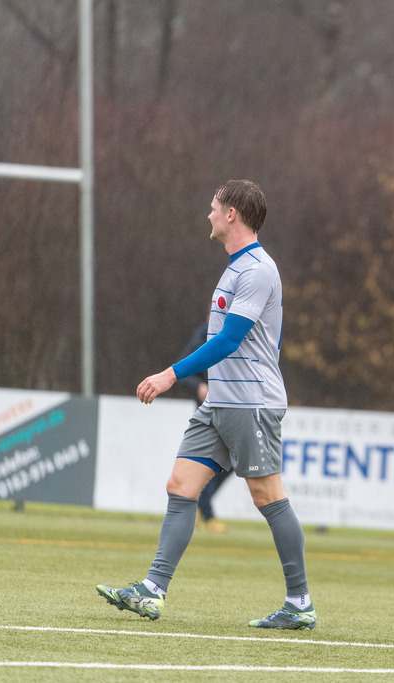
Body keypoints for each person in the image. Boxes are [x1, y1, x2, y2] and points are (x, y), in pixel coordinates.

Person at [96, 179, 315, 630]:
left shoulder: (257, 269)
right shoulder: (235, 267)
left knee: (267, 495)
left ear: (232, 214)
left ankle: (299, 603)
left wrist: (170, 374)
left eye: (214, 207)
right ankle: (153, 591)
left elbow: (230, 340)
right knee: (181, 486)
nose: (209, 214)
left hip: (251, 402)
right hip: (220, 403)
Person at [175, 320, 231, 533]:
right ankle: (206, 515)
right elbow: (182, 367)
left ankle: (195, 503)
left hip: (234, 411)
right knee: (207, 460)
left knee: (233, 460)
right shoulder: (203, 335)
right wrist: (199, 386)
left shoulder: (242, 334)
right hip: (209, 411)